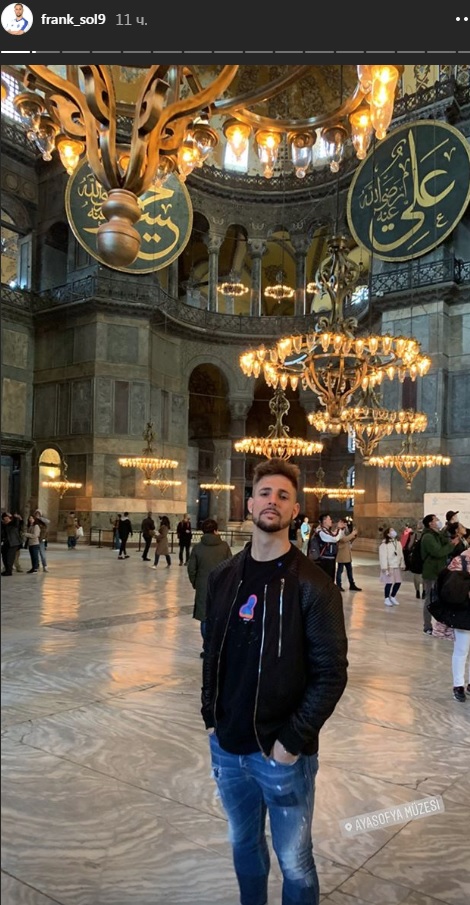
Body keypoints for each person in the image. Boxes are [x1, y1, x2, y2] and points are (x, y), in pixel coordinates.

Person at [201, 457, 348, 905]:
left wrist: (291, 743)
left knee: (295, 861)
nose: (272, 501)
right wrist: (211, 717)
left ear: (295, 510)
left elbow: (330, 674)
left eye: (283, 496)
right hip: (228, 748)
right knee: (243, 845)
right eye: (264, 493)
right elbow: (211, 653)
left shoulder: (314, 584)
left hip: (281, 753)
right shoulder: (222, 577)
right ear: (249, 504)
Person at [187, 518, 232, 656]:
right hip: (221, 586)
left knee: (205, 617)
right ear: (216, 530)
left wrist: (196, 583)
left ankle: (208, 648)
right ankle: (217, 647)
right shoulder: (224, 546)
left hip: (203, 586)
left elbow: (191, 569)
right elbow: (231, 567)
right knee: (219, 616)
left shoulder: (197, 548)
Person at [421, 513, 460, 635]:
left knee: (440, 599)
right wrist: (452, 544)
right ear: (430, 523)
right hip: (431, 572)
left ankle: (441, 625)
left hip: (439, 571)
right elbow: (438, 552)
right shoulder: (428, 537)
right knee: (429, 600)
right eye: (436, 519)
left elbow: (444, 541)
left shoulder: (436, 535)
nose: (438, 521)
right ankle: (427, 626)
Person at [445, 549, 470, 702]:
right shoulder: (461, 560)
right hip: (463, 612)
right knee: (461, 650)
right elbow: (449, 587)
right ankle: (458, 685)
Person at [311, 513, 347, 580]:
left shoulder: (327, 531)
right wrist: (338, 528)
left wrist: (341, 528)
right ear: (324, 521)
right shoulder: (321, 532)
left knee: (330, 580)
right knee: (326, 580)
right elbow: (334, 538)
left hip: (330, 559)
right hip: (324, 560)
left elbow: (336, 535)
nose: (331, 521)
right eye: (329, 519)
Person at [379, 527, 405, 606]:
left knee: (398, 582)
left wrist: (402, 563)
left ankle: (393, 596)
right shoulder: (384, 544)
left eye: (394, 530)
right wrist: (385, 567)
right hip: (389, 566)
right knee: (389, 583)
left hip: (396, 565)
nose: (393, 531)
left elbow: (401, 554)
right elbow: (383, 557)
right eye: (391, 530)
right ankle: (386, 598)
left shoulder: (398, 543)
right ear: (388, 534)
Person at [335, 525, 362, 592]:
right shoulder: (338, 532)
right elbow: (343, 540)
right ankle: (338, 585)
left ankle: (352, 584)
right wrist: (352, 534)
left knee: (349, 571)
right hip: (342, 555)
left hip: (347, 555)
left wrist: (354, 535)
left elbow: (349, 540)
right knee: (340, 571)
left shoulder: (346, 533)